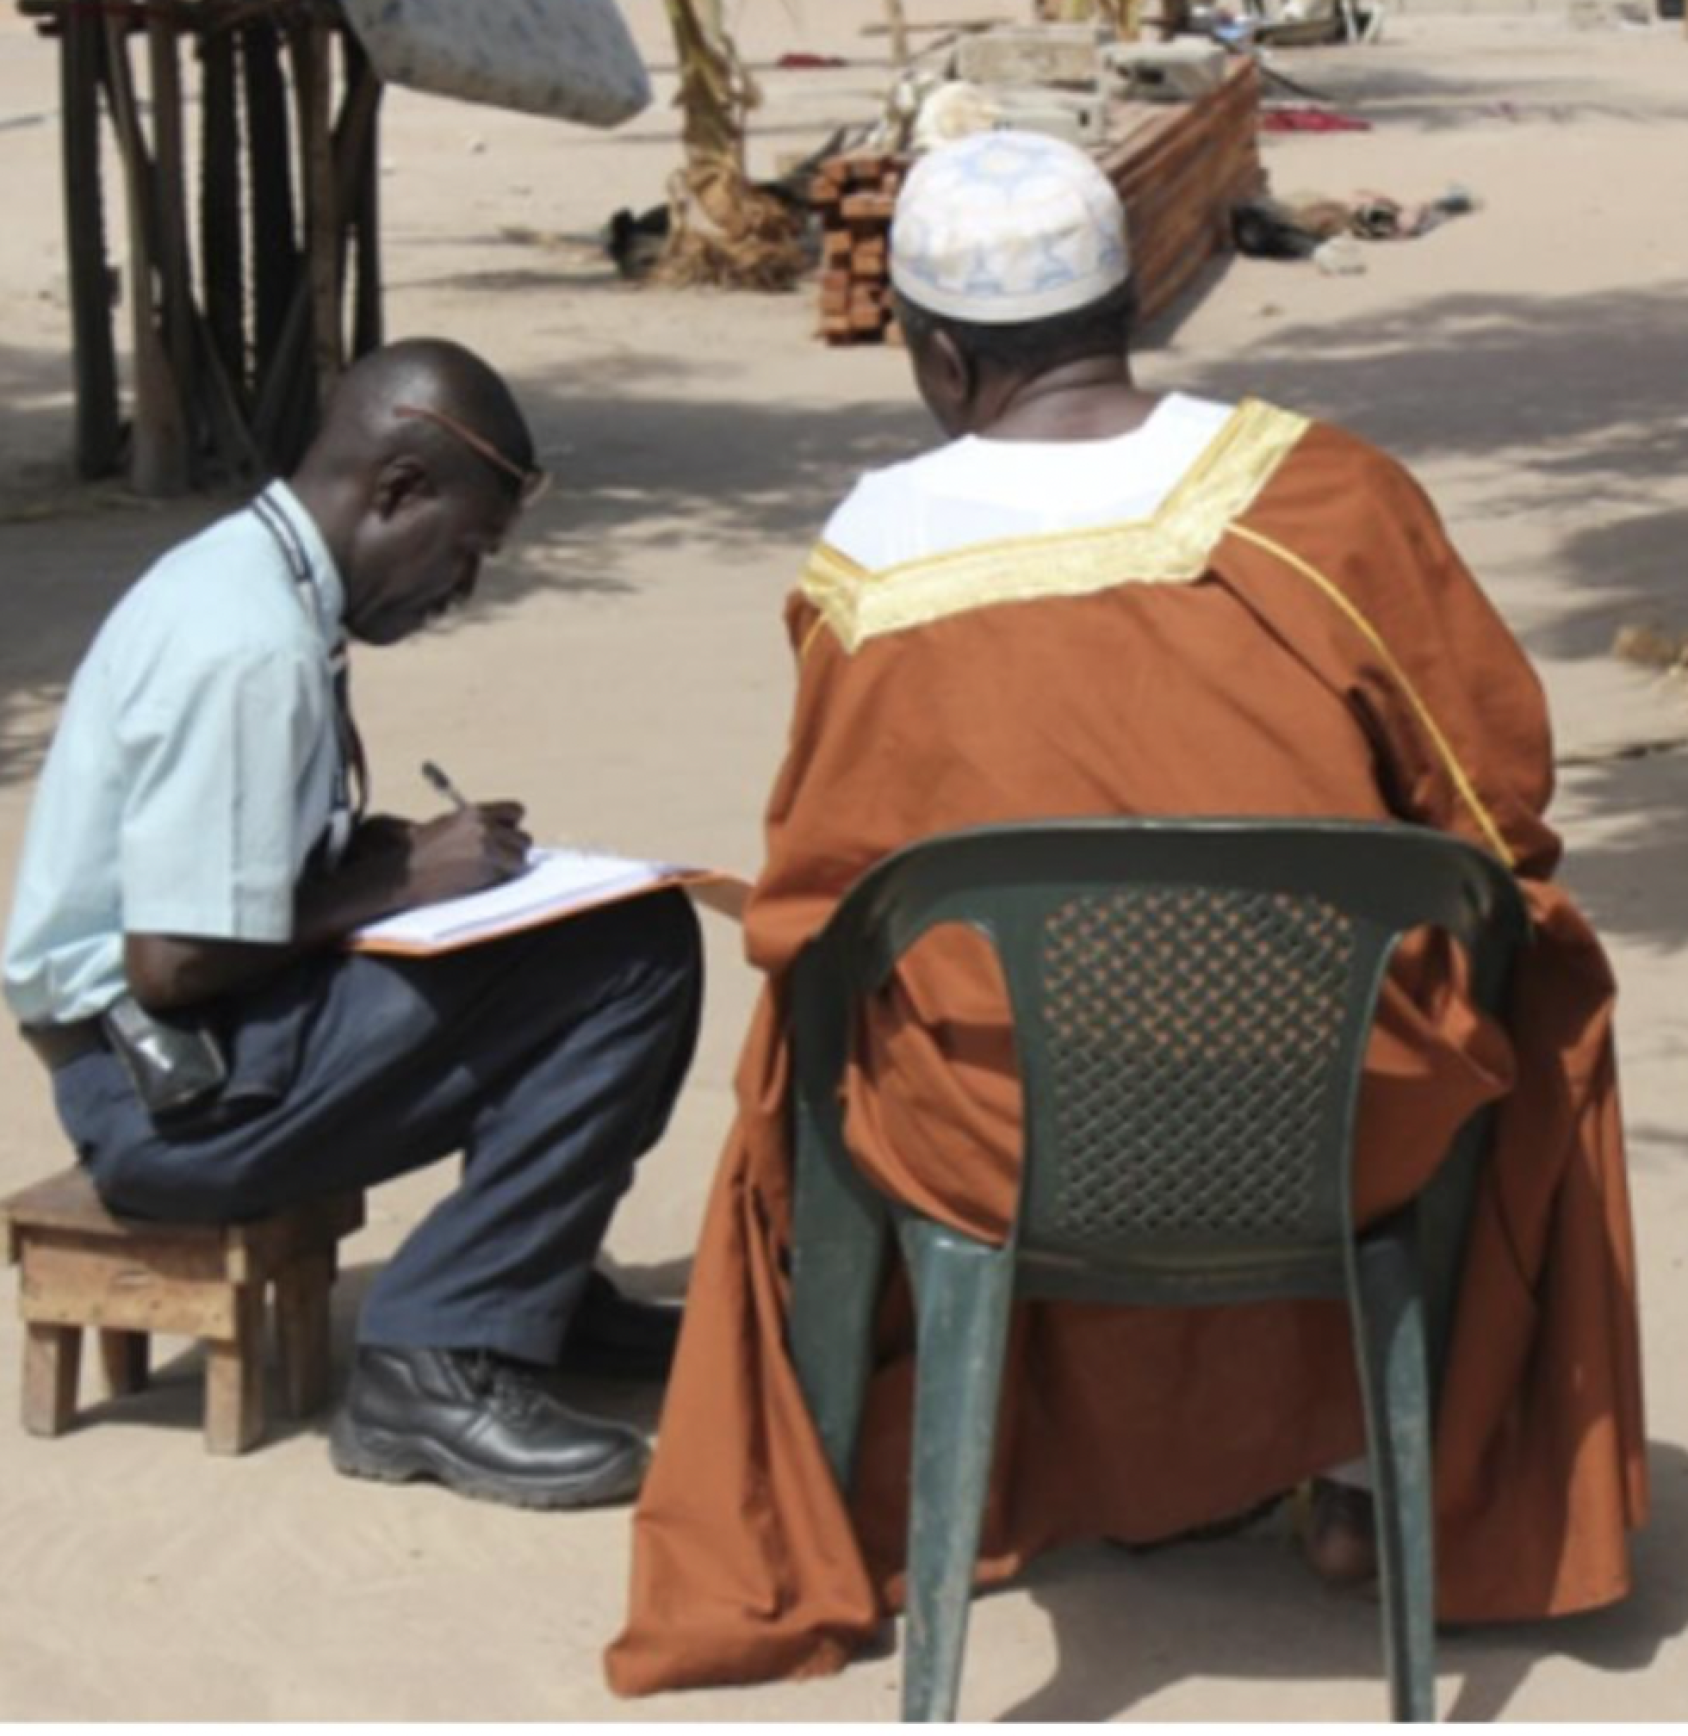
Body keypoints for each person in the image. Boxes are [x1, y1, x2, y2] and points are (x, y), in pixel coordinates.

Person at [605, 133, 1646, 1693]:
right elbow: (1495, 811)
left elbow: (824, 885)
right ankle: (1380, 1482)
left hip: (1003, 1136)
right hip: (1344, 1121)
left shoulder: (869, 562)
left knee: (817, 1037)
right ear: (1134, 298)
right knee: (1522, 975)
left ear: (940, 354)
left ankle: (905, 1472)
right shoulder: (1335, 497)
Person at [4, 338, 704, 1511]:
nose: (462, 587)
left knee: (604, 938)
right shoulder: (246, 643)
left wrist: (379, 857)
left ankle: (519, 1283)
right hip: (168, 1098)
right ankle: (433, 1364)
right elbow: (170, 960)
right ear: (396, 492)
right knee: (629, 960)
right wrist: (393, 886)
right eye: (467, 549)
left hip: (180, 1055)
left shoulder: (253, 581)